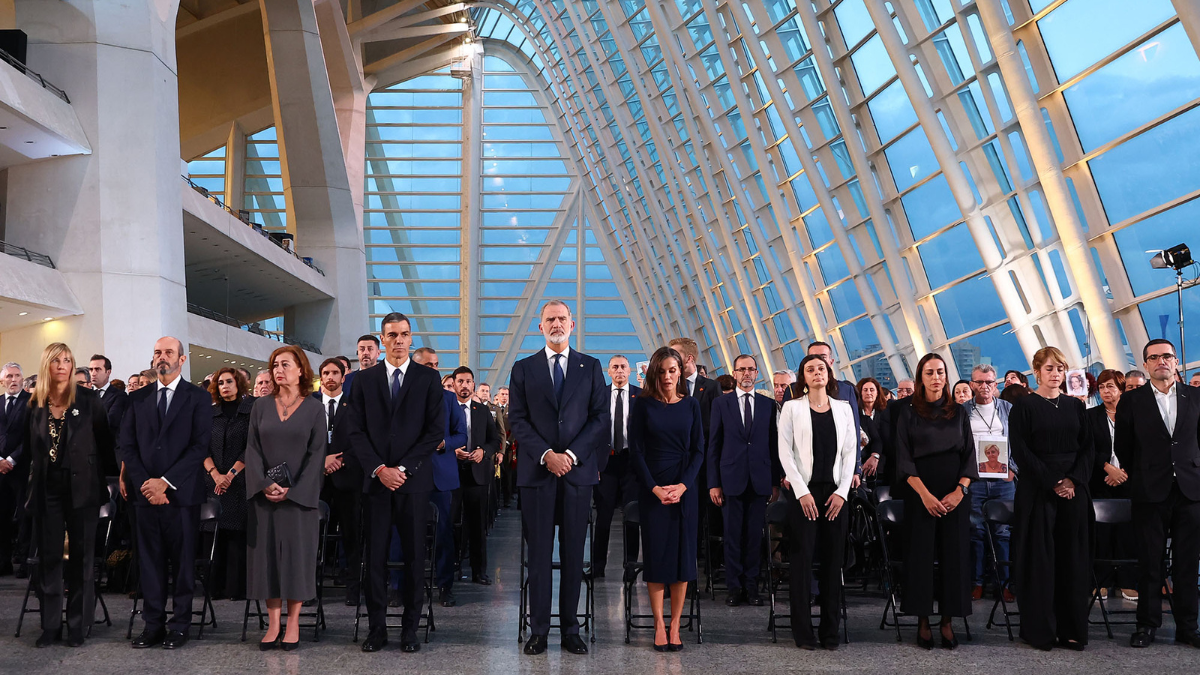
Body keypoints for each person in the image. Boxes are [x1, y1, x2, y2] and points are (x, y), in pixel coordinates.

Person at [509, 300, 609, 657]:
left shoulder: (591, 367)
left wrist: (568, 456)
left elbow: (599, 418)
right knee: (537, 556)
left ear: (573, 324)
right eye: (550, 319)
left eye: (562, 319)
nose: (556, 324)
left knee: (572, 556)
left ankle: (570, 628)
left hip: (577, 474)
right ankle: (539, 630)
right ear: (540, 326)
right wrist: (546, 455)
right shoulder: (523, 369)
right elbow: (517, 420)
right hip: (537, 474)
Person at [347, 313, 445, 654]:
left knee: (415, 558)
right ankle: (376, 630)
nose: (399, 340)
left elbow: (434, 431)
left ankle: (410, 630)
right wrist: (378, 468)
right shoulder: (363, 380)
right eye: (393, 335)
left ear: (410, 337)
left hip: (413, 482)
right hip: (376, 483)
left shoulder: (429, 379)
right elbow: (354, 432)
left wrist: (401, 468)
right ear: (382, 338)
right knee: (373, 558)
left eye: (404, 334)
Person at [121, 337, 213, 650]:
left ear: (182, 359)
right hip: (145, 497)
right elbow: (127, 446)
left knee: (183, 565)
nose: (163, 357)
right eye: (158, 352)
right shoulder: (137, 398)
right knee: (150, 564)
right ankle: (153, 626)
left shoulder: (198, 397)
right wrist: (147, 483)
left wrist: (165, 482)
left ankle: (180, 626)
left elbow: (199, 446)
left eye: (169, 352)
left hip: (182, 495)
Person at [25, 344, 114, 647]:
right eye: (56, 361)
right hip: (47, 488)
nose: (62, 365)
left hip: (83, 488)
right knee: (49, 558)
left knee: (81, 558)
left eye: (67, 360)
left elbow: (105, 444)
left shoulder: (89, 400)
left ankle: (77, 624)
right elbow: (28, 450)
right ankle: (50, 626)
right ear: (46, 365)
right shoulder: (35, 402)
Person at [1114, 339, 1200, 649]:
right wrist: (1143, 475)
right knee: (1150, 563)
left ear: (1176, 361)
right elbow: (1123, 447)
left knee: (1187, 564)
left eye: (1167, 356)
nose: (1161, 361)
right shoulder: (1132, 401)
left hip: (1191, 492)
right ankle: (1147, 625)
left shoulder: (1196, 396)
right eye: (1154, 357)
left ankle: (1188, 628)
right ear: (1146, 364)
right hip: (1150, 492)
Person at [1010, 346, 1093, 651]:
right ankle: (1040, 631)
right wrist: (1053, 481)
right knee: (1040, 563)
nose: (1055, 374)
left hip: (1073, 492)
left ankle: (1072, 630)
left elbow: (1088, 450)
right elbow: (1020, 450)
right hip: (1038, 492)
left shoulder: (1076, 407)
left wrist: (1072, 480)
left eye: (1060, 368)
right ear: (1036, 373)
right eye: (1049, 369)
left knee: (1073, 561)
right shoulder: (1024, 407)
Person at [242, 346, 326, 650]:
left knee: (295, 560)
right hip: (265, 497)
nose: (279, 370)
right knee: (267, 560)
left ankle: (292, 623)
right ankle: (273, 622)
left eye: (285, 364)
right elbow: (252, 449)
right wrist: (264, 484)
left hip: (298, 500)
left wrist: (296, 489)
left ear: (301, 369)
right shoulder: (261, 406)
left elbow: (318, 454)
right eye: (275, 365)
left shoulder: (315, 408)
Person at [894, 353, 976, 650]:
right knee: (921, 558)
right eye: (929, 372)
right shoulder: (908, 412)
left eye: (940, 372)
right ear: (921, 377)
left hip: (955, 492)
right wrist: (925, 495)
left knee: (954, 557)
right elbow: (904, 459)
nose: (936, 377)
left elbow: (969, 456)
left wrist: (960, 491)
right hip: (921, 493)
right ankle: (924, 621)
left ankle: (947, 621)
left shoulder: (960, 412)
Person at [778, 353, 857, 650]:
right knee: (802, 563)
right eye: (809, 369)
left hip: (836, 494)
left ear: (829, 373)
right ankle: (803, 631)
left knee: (832, 563)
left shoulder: (844, 409)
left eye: (820, 368)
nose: (816, 373)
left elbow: (850, 455)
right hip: (804, 494)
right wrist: (801, 492)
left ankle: (830, 631)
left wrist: (842, 492)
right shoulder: (792, 408)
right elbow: (785, 453)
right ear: (803, 377)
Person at [629, 346, 704, 652]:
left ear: (681, 372)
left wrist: (684, 486)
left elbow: (700, 449)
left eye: (672, 371)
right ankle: (659, 624)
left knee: (683, 557)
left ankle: (676, 625)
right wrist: (655, 489)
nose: (668, 377)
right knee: (658, 556)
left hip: (685, 489)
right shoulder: (643, 405)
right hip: (654, 490)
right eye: (661, 372)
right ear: (653, 375)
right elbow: (635, 450)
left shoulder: (691, 406)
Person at [708, 354, 777, 607]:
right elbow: (713, 445)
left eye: (751, 369)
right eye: (741, 370)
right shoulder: (721, 404)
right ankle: (734, 588)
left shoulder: (767, 405)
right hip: (730, 479)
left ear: (757, 373)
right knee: (732, 535)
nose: (746, 374)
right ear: (734, 373)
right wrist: (713, 482)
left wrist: (775, 482)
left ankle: (752, 587)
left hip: (759, 479)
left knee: (754, 536)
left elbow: (773, 445)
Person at [409, 347, 466, 608]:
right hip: (410, 475)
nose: (434, 369)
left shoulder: (449, 399)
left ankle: (445, 586)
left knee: (443, 533)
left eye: (436, 365)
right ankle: (405, 586)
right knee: (408, 533)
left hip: (441, 476)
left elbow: (461, 435)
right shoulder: (402, 396)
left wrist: (444, 444)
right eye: (428, 365)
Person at [962, 364, 1016, 602]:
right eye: (979, 382)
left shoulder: (1008, 409)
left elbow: (1019, 441)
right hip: (974, 480)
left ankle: (1004, 583)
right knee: (975, 532)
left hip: (1003, 480)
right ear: (972, 384)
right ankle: (977, 582)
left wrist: (1013, 469)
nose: (984, 386)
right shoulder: (963, 411)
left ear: (996, 385)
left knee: (1003, 533)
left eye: (989, 382)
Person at [314, 357, 363, 606]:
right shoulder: (309, 404)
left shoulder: (355, 404)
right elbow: (301, 440)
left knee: (351, 536)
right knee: (312, 537)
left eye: (335, 372)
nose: (330, 377)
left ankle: (353, 589)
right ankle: (309, 589)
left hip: (348, 477)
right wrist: (321, 460)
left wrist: (340, 460)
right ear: (320, 377)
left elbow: (362, 438)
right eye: (326, 372)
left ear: (343, 377)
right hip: (316, 479)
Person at [203, 367, 251, 601]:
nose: (224, 386)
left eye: (229, 382)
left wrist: (229, 475)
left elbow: (251, 447)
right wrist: (216, 475)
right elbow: (201, 447)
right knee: (215, 534)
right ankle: (215, 587)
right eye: (220, 382)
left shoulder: (250, 411)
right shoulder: (210, 413)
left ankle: (236, 588)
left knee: (236, 536)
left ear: (238, 384)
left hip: (240, 481)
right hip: (213, 482)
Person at [1088, 369, 1136, 601]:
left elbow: (1144, 446)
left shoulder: (1134, 414)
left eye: (1110, 386)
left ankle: (1127, 582)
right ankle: (1102, 581)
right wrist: (1108, 468)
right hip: (1100, 480)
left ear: (1121, 388)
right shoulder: (1091, 416)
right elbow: (1087, 449)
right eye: (1102, 387)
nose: (1106, 391)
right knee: (1102, 534)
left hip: (1129, 481)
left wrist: (1124, 472)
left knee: (1128, 534)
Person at [594, 355, 642, 578]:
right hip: (607, 463)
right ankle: (597, 566)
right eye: (615, 367)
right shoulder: (599, 396)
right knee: (603, 518)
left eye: (623, 366)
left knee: (632, 516)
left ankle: (631, 566)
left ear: (630, 370)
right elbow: (591, 431)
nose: (620, 370)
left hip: (632, 464)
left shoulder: (640, 396)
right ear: (609, 371)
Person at [451, 366, 500, 585]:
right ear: (453, 384)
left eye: (468, 381)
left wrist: (484, 452)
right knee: (450, 524)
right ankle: (451, 569)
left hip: (477, 473)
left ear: (473, 384)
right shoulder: (446, 408)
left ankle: (479, 571)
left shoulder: (482, 411)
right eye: (460, 381)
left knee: (477, 525)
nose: (464, 385)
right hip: (451, 472)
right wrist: (452, 450)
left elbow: (494, 439)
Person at [0, 362, 30, 577]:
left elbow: (31, 436)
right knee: (1, 517)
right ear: (2, 381)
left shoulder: (31, 403)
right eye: (9, 376)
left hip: (21, 468)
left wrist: (11, 459)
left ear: (22, 379)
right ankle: (3, 562)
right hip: (0, 469)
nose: (13, 379)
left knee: (24, 516)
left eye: (17, 375)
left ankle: (26, 562)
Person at [89, 355, 129, 460]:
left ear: (108, 372)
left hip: (108, 452)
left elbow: (111, 423)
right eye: (91, 369)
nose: (93, 373)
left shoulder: (119, 396)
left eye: (98, 369)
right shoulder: (84, 395)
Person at [856, 377, 888, 482]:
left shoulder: (886, 412)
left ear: (877, 393)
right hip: (860, 464)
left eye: (872, 390)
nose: (868, 393)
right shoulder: (854, 414)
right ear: (860, 393)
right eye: (865, 390)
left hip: (883, 463)